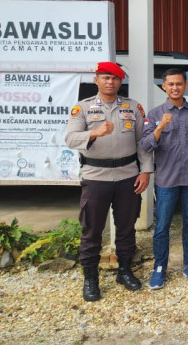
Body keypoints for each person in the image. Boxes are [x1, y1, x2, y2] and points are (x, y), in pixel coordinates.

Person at [65, 61, 154, 302]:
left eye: (114, 78)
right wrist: (93, 133)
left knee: (126, 228)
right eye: (105, 77)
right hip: (96, 178)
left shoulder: (133, 107)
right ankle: (90, 278)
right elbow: (71, 139)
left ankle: (124, 271)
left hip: (127, 176)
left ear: (120, 81)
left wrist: (145, 171)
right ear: (97, 80)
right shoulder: (82, 108)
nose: (110, 82)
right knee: (92, 230)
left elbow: (142, 144)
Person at [140, 68, 188, 290]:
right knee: (162, 226)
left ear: (185, 86)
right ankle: (159, 267)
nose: (175, 87)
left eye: (179, 84)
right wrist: (160, 126)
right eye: (170, 84)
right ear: (164, 86)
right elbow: (145, 146)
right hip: (166, 180)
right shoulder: (154, 114)